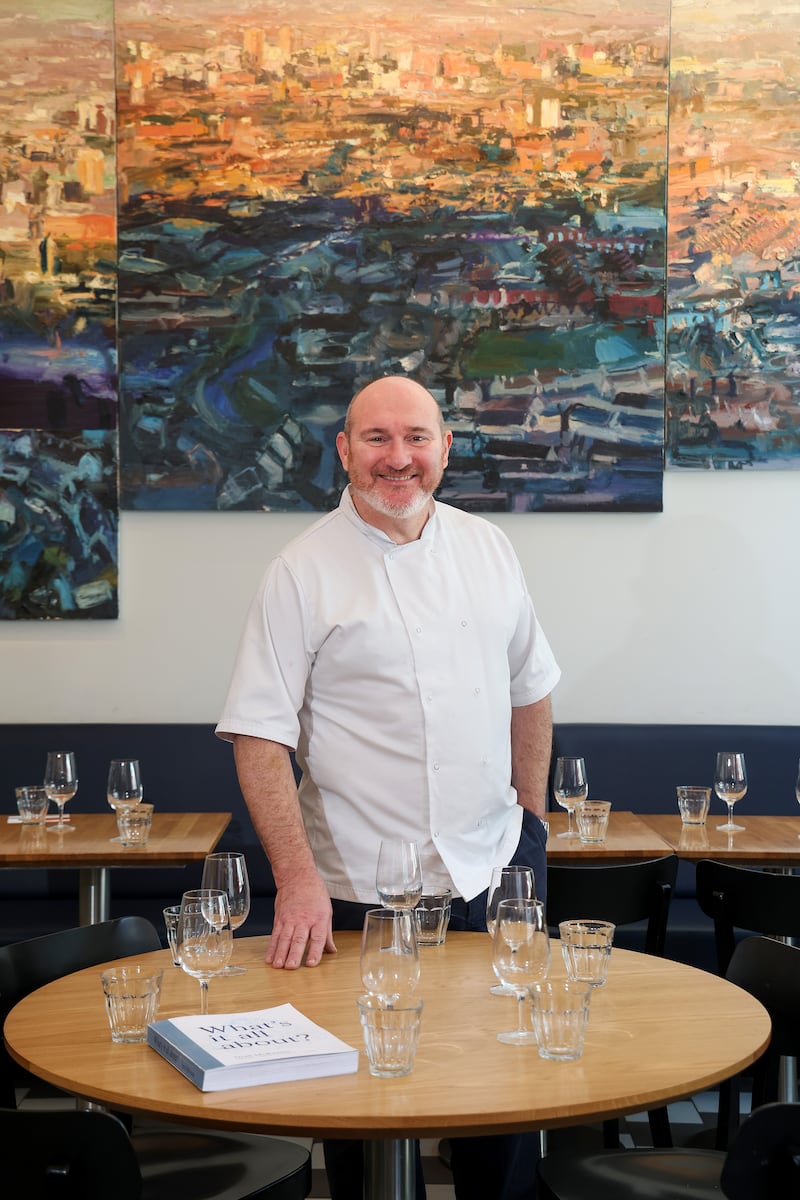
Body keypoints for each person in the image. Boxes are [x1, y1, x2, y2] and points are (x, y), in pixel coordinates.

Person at [216, 375, 560, 1200]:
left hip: (490, 875)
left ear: (445, 447)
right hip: (356, 896)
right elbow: (260, 739)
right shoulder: (299, 571)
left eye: (416, 438)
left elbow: (532, 686)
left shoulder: (488, 547)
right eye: (376, 439)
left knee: (505, 1117)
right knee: (365, 1122)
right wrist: (296, 881)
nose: (397, 458)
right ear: (344, 451)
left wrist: (534, 824)